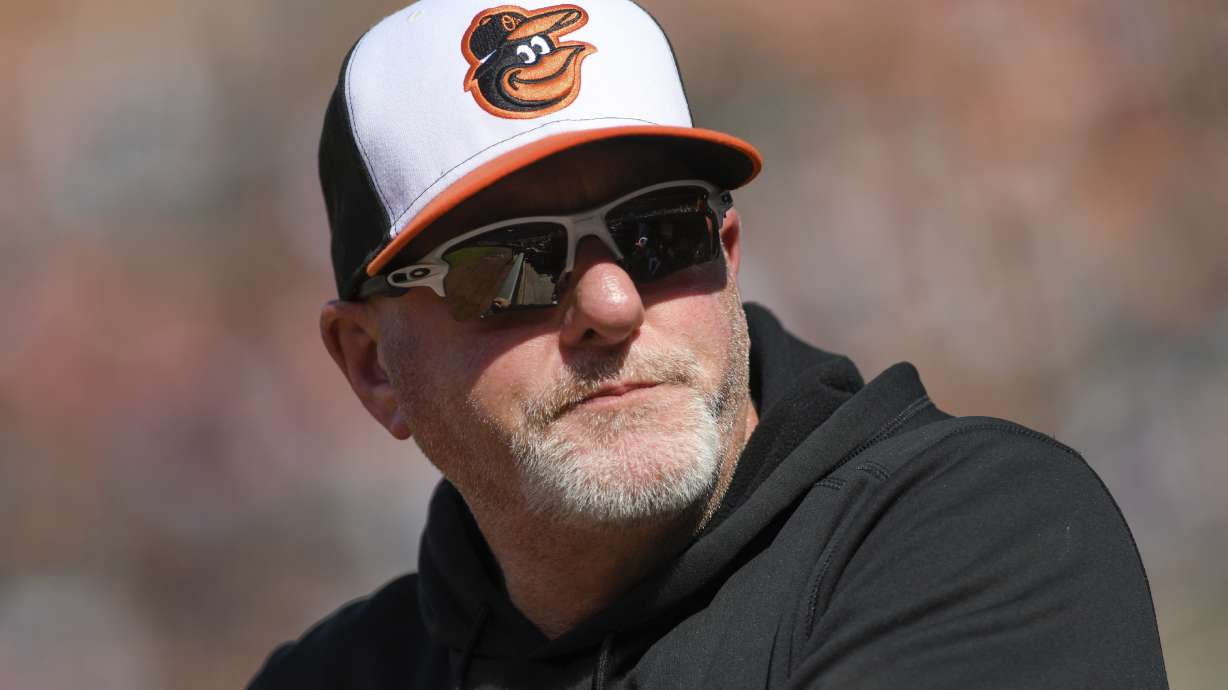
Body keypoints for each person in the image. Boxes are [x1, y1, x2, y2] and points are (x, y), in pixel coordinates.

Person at [249, 1, 1169, 687]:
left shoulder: (978, 536)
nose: (610, 302)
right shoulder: (334, 676)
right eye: (508, 266)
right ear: (372, 365)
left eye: (661, 234)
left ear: (726, 258)